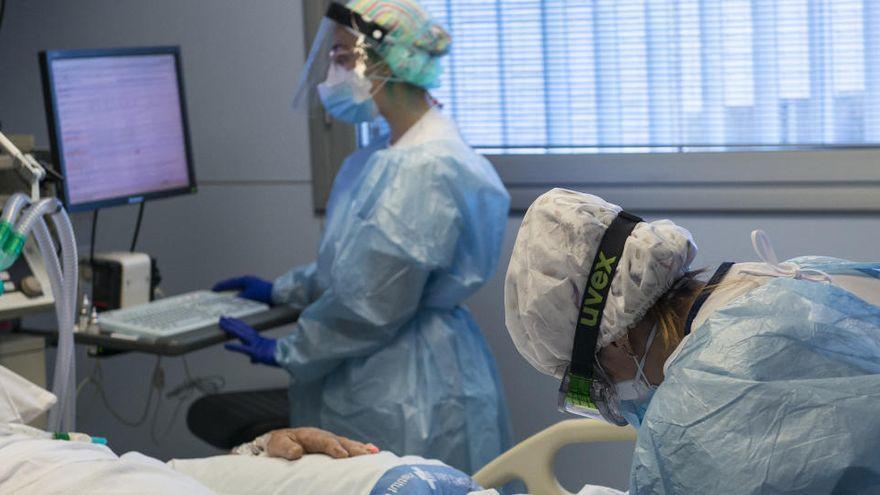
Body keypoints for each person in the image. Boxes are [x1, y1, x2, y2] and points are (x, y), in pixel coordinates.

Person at [213, 0, 511, 474]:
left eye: (340, 57)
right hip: (397, 365)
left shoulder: (424, 168)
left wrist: (288, 351)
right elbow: (359, 268)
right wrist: (284, 289)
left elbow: (373, 305)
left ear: (385, 63)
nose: (331, 74)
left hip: (405, 383)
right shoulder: (388, 154)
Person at [504, 188, 880, 494]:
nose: (613, 392)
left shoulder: (702, 406)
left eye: (597, 380)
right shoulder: (788, 277)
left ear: (616, 341)